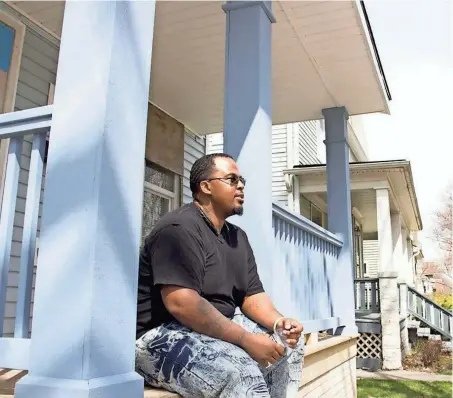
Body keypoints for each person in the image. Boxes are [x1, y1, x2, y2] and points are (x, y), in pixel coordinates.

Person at [136, 153, 304, 397]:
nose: (241, 185)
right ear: (205, 187)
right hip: (159, 335)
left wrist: (279, 323)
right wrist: (246, 340)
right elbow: (182, 304)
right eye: (232, 179)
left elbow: (251, 295)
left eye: (241, 179)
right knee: (238, 370)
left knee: (290, 347)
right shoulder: (178, 229)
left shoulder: (237, 237)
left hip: (212, 328)